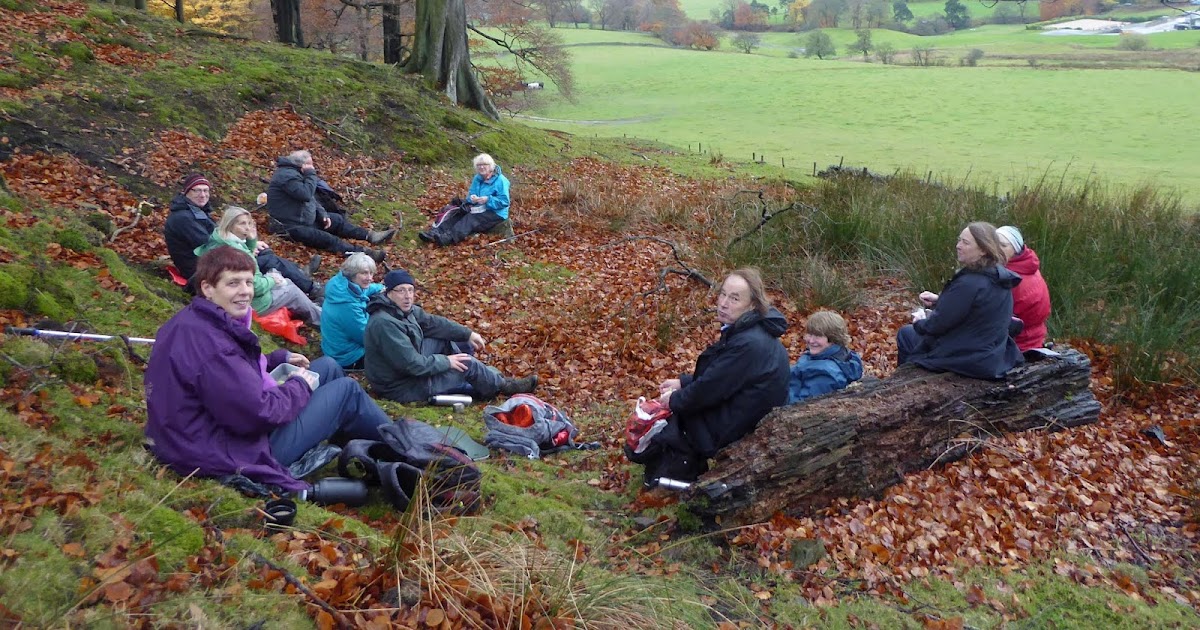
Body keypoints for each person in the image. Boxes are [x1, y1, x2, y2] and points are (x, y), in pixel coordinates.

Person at [144, 246, 393, 494]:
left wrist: (275, 359)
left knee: (328, 366)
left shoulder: (194, 322)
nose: (245, 292)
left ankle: (354, 443)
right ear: (208, 287)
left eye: (248, 282)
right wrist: (300, 386)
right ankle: (403, 447)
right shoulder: (214, 347)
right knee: (347, 390)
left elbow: (225, 373)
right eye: (233, 283)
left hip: (200, 434)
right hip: (238, 449)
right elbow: (260, 412)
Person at [626, 268, 791, 487]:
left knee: (670, 420)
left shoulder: (750, 343)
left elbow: (709, 390)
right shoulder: (748, 332)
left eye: (734, 298)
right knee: (674, 407)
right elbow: (720, 376)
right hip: (737, 412)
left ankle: (671, 479)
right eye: (723, 294)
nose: (723, 303)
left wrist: (674, 400)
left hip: (736, 427)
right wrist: (683, 383)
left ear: (752, 305)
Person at [363, 269, 537, 403]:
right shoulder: (384, 323)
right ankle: (501, 386)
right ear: (389, 293)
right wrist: (447, 362)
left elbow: (434, 323)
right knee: (466, 363)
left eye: (410, 290)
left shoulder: (402, 309)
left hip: (405, 372)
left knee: (444, 338)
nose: (408, 296)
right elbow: (412, 365)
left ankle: (481, 378)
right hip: (400, 386)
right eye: (401, 291)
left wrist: (468, 334)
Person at [897, 222, 1024, 380]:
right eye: (959, 240)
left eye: (965, 242)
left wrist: (919, 322)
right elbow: (976, 309)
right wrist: (940, 301)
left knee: (907, 334)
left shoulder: (969, 283)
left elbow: (936, 325)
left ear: (983, 250)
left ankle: (903, 382)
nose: (958, 246)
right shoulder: (999, 277)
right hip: (992, 355)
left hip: (967, 359)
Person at [163, 173, 320, 295]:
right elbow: (210, 246)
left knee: (264, 252)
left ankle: (300, 275)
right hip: (201, 270)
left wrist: (247, 245)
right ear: (186, 193)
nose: (202, 195)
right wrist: (244, 248)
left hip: (213, 260)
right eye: (197, 191)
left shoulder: (196, 211)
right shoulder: (183, 218)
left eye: (205, 190)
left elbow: (218, 239)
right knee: (267, 260)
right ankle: (312, 289)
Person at [195, 206, 322, 325]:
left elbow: (246, 261)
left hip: (224, 296)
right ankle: (322, 319)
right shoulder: (235, 251)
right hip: (248, 303)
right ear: (230, 225)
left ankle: (311, 304)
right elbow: (255, 287)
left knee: (276, 270)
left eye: (249, 223)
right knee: (291, 289)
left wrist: (251, 240)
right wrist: (272, 280)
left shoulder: (219, 238)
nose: (247, 228)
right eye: (242, 223)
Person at [267, 150, 394, 262]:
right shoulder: (286, 176)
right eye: (311, 164)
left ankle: (370, 236)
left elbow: (311, 198)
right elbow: (305, 194)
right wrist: (311, 174)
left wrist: (322, 214)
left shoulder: (295, 173)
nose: (313, 167)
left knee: (337, 220)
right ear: (302, 165)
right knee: (329, 240)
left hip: (303, 218)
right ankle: (365, 254)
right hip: (290, 226)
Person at [419, 153, 510, 246]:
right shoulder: (478, 178)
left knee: (471, 218)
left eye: (484, 165)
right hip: (478, 207)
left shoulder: (501, 181)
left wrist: (488, 200)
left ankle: (448, 238)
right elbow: (471, 194)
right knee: (459, 213)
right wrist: (472, 199)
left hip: (496, 213)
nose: (482, 167)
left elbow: (504, 202)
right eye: (479, 165)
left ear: (491, 166)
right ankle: (434, 232)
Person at [320, 253, 385, 369]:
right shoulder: (347, 305)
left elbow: (367, 289)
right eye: (364, 273)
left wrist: (381, 288)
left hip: (333, 347)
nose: (370, 278)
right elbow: (366, 338)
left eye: (371, 273)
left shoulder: (345, 285)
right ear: (353, 273)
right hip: (347, 356)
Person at [787, 310, 864, 405]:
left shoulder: (825, 375)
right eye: (810, 334)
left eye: (817, 336)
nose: (811, 340)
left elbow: (800, 407)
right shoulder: (835, 355)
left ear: (833, 339)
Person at [996, 225, 1051, 352]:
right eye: (993, 244)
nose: (996, 249)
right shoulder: (1028, 267)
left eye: (1003, 246)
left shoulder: (1009, 278)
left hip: (1017, 345)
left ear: (1015, 250)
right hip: (1035, 337)